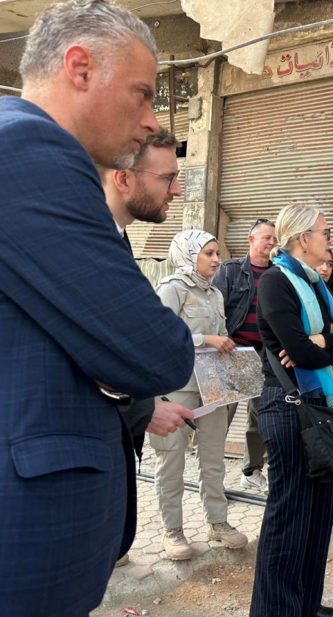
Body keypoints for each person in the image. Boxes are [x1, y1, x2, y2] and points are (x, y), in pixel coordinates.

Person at [0, 2, 194, 615]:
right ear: (79, 68)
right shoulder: (31, 151)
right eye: (141, 94)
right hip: (28, 539)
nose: (149, 120)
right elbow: (157, 352)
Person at [250, 205, 333, 617]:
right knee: (289, 519)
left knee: (317, 519)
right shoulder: (276, 282)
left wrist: (323, 340)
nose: (331, 240)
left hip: (321, 407)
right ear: (302, 238)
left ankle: (305, 607)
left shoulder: (316, 285)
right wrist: (324, 343)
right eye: (326, 233)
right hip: (289, 407)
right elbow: (298, 352)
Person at [101, 126, 193, 567]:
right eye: (167, 178)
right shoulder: (85, 245)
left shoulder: (116, 240)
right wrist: (141, 408)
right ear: (124, 179)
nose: (176, 191)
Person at [150, 230, 249, 560]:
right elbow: (159, 335)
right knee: (171, 460)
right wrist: (204, 339)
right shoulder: (172, 289)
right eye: (208, 253)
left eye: (217, 253)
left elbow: (219, 337)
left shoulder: (215, 294)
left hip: (212, 388)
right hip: (177, 388)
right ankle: (172, 530)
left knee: (213, 458)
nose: (216, 259)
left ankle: (217, 523)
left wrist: (227, 348)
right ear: (189, 255)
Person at [213, 218, 276, 493]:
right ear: (251, 240)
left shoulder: (279, 274)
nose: (272, 243)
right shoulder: (229, 270)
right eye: (267, 238)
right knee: (219, 418)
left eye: (275, 239)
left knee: (259, 417)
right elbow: (214, 309)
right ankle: (212, 478)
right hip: (232, 352)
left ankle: (251, 471)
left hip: (264, 354)